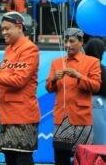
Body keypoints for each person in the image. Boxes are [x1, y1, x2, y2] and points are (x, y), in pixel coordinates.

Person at [0, 12, 40, 165]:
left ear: (19, 27)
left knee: (22, 159)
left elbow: (19, 80)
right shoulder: (10, 49)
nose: (3, 32)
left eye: (6, 29)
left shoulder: (30, 49)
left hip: (22, 115)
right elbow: (4, 75)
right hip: (7, 113)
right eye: (2, 29)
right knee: (10, 159)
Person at [46, 28, 101, 165]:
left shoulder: (92, 62)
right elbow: (48, 88)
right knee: (60, 159)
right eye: (65, 41)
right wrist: (53, 79)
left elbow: (96, 86)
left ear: (81, 42)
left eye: (71, 41)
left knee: (83, 159)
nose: (67, 45)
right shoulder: (56, 62)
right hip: (61, 118)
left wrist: (78, 76)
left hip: (81, 118)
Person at [84, 38, 106, 144]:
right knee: (100, 142)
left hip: (80, 106)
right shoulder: (101, 69)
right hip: (99, 106)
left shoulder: (80, 68)